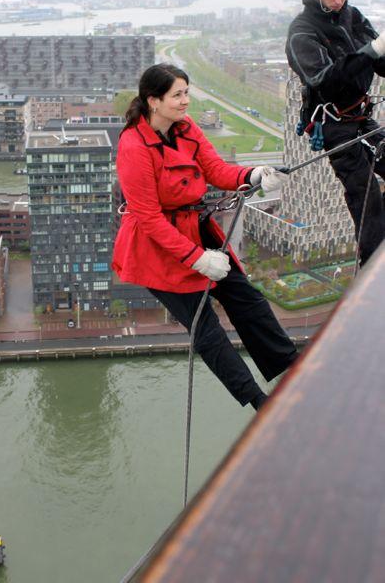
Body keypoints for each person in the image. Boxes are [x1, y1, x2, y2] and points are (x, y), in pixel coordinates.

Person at [112, 63, 298, 410]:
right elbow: (150, 218)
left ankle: (290, 367)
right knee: (206, 328)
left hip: (193, 229)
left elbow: (215, 169)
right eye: (177, 95)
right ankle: (258, 400)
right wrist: (197, 259)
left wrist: (253, 174)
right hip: (158, 248)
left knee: (246, 299)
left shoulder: (186, 129)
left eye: (187, 93)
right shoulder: (133, 146)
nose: (185, 102)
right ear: (153, 101)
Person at [286, 0, 385, 266]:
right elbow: (326, 81)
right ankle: (373, 269)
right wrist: (370, 52)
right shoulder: (302, 31)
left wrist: (376, 53)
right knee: (365, 193)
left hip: (359, 117)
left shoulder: (352, 17)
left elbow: (379, 63)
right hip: (333, 124)